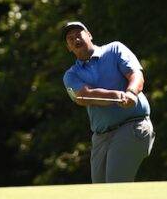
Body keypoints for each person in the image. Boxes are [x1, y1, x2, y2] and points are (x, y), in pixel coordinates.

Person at [61, 21, 154, 183]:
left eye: (79, 34)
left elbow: (136, 75)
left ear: (89, 35)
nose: (75, 39)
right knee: (101, 193)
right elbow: (83, 96)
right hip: (101, 137)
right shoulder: (71, 75)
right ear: (68, 47)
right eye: (70, 38)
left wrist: (131, 93)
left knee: (115, 185)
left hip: (131, 125)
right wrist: (118, 96)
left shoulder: (115, 49)